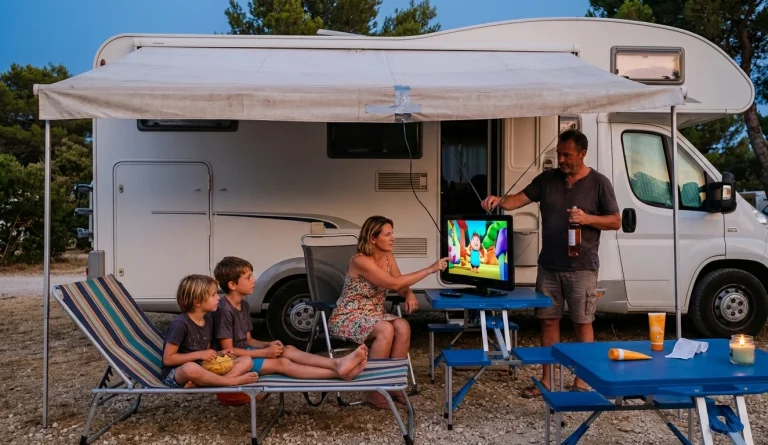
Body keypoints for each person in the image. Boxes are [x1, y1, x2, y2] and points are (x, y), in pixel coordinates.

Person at [481, 129, 621, 397]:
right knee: (548, 322)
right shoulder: (547, 180)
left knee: (582, 323)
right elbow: (516, 200)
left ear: (582, 154)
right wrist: (498, 201)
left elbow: (615, 220)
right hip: (548, 266)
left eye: (567, 155)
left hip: (583, 267)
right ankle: (547, 380)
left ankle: (581, 381)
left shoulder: (599, 183)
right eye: (559, 154)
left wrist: (587, 219)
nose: (561, 160)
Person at [328, 215, 449, 409]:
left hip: (374, 314)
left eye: (392, 233)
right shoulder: (360, 261)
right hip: (349, 316)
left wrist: (408, 294)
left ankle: (392, 384)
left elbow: (400, 283)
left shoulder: (387, 257)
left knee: (402, 325)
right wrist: (430, 269)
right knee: (386, 329)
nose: (393, 238)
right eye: (388, 234)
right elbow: (392, 283)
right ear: (373, 238)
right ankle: (373, 390)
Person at [212, 256, 368, 381]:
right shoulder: (224, 310)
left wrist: (267, 344)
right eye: (248, 278)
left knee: (289, 349)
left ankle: (337, 363)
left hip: (246, 352)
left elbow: (248, 340)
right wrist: (264, 353)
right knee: (282, 363)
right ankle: (338, 373)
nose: (253, 281)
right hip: (235, 362)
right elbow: (228, 351)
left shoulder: (243, 305)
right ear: (233, 285)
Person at [160, 274, 259, 389]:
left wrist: (219, 354)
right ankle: (232, 381)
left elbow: (205, 351)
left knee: (247, 361)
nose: (218, 298)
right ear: (197, 302)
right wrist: (200, 355)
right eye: (213, 295)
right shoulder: (180, 324)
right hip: (177, 372)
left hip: (201, 367)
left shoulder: (208, 319)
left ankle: (204, 382)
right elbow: (168, 359)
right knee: (190, 368)